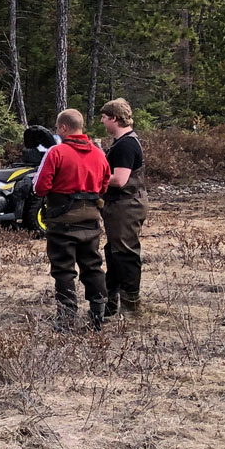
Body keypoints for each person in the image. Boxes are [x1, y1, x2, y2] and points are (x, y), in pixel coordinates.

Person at [34, 108, 110, 331]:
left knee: (64, 270)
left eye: (58, 128)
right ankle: (99, 313)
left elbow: (40, 188)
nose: (57, 132)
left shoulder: (56, 153)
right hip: (91, 221)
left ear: (64, 128)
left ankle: (66, 320)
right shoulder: (99, 154)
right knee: (93, 266)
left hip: (62, 222)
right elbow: (103, 186)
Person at [99, 99, 146, 317]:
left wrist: (92, 176)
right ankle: (112, 303)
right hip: (121, 205)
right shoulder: (122, 142)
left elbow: (119, 180)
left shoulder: (126, 144)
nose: (102, 121)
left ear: (114, 118)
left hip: (126, 205)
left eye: (104, 117)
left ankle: (131, 307)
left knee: (125, 254)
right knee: (114, 252)